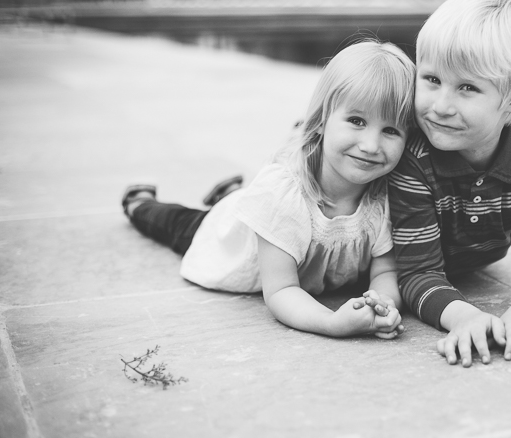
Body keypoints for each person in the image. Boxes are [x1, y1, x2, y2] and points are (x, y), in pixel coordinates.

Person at [122, 40, 414, 340]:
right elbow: (282, 290)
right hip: (230, 242)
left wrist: (383, 304)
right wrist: (331, 322)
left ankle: (231, 192)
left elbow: (385, 272)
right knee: (179, 225)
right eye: (356, 121)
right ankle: (140, 204)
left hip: (266, 213)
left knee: (244, 201)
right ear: (321, 120)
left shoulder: (387, 197)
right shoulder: (284, 194)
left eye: (391, 130)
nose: (371, 145)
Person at [388, 0, 511, 367]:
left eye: (467, 88)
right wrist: (464, 317)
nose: (441, 106)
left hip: (467, 263)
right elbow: (417, 272)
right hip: (382, 253)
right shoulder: (413, 155)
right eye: (431, 79)